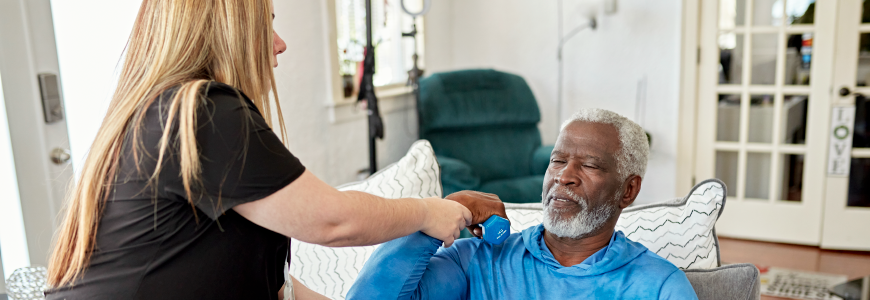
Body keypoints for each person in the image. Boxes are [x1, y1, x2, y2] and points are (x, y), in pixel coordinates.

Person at [44, 1, 502, 299]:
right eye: (268, 26)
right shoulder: (201, 111)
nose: (280, 45)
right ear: (228, 32)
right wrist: (426, 212)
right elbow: (332, 220)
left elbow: (271, 283)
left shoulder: (163, 111)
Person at [347, 108, 699, 299]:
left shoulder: (659, 287)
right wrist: (438, 212)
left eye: (589, 165)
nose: (564, 176)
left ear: (628, 190)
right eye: (557, 161)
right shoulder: (478, 259)